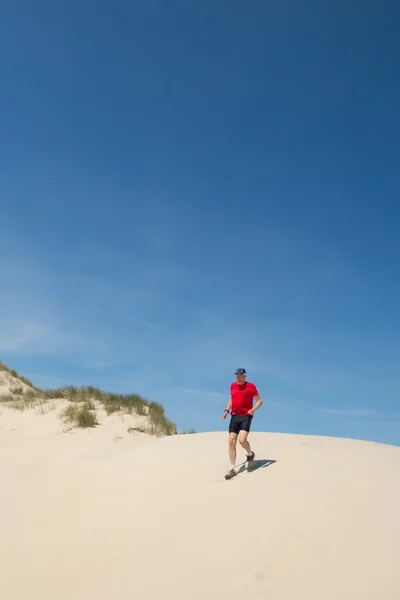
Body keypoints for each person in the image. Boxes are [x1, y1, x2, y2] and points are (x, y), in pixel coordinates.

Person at [221, 368, 262, 479]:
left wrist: (253, 409)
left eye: (240, 375)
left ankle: (250, 454)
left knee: (242, 440)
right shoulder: (233, 386)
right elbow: (232, 399)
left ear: (245, 376)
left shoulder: (251, 386)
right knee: (231, 441)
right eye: (236, 375)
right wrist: (226, 410)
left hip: (246, 416)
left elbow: (259, 401)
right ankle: (232, 468)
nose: (238, 377)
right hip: (234, 416)